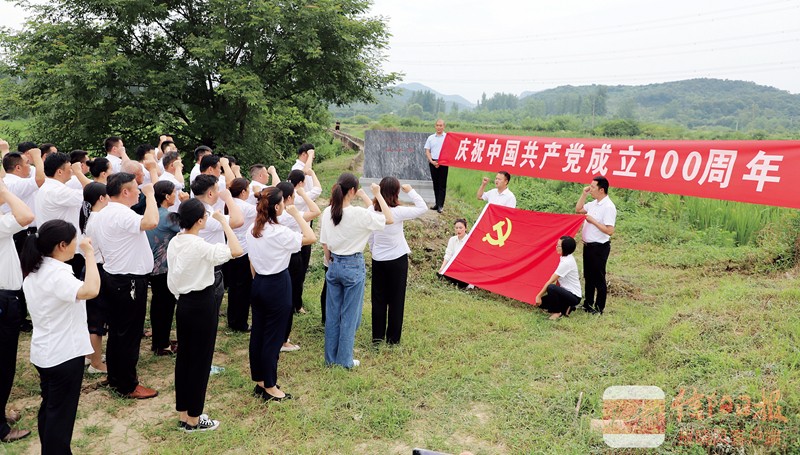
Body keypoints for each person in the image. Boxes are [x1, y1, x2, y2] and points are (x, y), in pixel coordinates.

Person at [21, 220, 100, 453]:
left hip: (45, 352)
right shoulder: (57, 274)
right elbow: (91, 290)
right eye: (74, 241)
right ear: (62, 245)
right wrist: (89, 255)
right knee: (60, 416)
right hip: (64, 354)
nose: (78, 244)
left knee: (51, 408)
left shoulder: (35, 270)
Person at [167, 198, 242, 432]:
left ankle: (183, 413)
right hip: (201, 303)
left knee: (185, 358)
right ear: (200, 221)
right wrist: (225, 223)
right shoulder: (200, 246)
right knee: (200, 361)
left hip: (184, 303)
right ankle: (194, 419)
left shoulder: (175, 242)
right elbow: (236, 250)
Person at [85, 172, 159, 399]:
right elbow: (151, 221)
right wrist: (151, 195)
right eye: (136, 188)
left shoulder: (102, 213)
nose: (138, 191)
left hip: (114, 275)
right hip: (128, 280)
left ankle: (116, 376)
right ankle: (127, 384)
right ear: (125, 191)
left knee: (118, 331)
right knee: (129, 334)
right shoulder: (121, 213)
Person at [247, 187, 315, 401]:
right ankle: (270, 386)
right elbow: (310, 236)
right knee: (273, 337)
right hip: (276, 284)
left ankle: (259, 380)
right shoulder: (279, 232)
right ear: (277, 207)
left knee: (258, 333)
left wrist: (258, 281)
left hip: (259, 282)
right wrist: (296, 215)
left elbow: (252, 262)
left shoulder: (253, 228)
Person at [320, 173, 393, 368]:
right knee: (350, 316)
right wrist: (377, 195)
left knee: (333, 314)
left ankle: (330, 358)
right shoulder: (359, 214)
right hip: (352, 265)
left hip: (334, 265)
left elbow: (325, 244)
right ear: (352, 191)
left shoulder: (328, 212)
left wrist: (330, 263)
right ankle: (344, 360)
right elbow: (389, 218)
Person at [368, 177, 427, 344]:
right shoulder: (398, 212)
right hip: (397, 260)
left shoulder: (371, 210)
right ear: (396, 192)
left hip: (378, 259)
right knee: (396, 299)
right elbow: (422, 207)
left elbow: (370, 236)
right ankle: (393, 339)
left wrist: (374, 250)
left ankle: (377, 338)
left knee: (378, 299)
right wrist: (411, 191)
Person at [0, 179, 34, 444]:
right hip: (3, 299)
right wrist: (4, 191)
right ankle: (0, 429)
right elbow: (26, 215)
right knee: (2, 365)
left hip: (6, 297)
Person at [275, 181, 321, 351]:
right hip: (292, 256)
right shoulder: (289, 214)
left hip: (277, 258)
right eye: (293, 196)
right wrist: (303, 194)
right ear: (287, 198)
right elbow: (316, 211)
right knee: (289, 297)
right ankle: (284, 340)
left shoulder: (270, 214)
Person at [146, 181, 181, 355]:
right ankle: (162, 344)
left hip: (151, 264)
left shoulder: (151, 213)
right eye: (174, 193)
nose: (176, 195)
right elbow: (189, 226)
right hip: (163, 267)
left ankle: (159, 340)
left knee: (158, 303)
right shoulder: (168, 217)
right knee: (165, 306)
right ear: (167, 196)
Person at [79, 182, 110, 374]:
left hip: (90, 267)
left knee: (92, 315)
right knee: (97, 319)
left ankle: (91, 355)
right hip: (98, 269)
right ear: (101, 198)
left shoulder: (89, 216)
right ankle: (96, 363)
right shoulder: (99, 218)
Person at [575, 176, 616, 315]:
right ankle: (588, 304)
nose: (590, 189)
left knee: (599, 277)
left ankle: (599, 308)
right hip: (588, 246)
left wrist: (593, 221)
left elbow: (610, 230)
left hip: (599, 247)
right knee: (588, 276)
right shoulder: (593, 204)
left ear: (601, 189)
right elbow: (579, 209)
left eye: (593, 187)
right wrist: (584, 193)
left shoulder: (608, 207)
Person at [226, 178, 258, 332]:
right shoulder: (245, 206)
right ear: (243, 192)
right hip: (243, 250)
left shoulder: (228, 203)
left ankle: (232, 319)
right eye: (248, 190)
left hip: (230, 248)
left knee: (233, 287)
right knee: (244, 289)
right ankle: (240, 323)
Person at [534, 236, 582, 320]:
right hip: (565, 292)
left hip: (574, 296)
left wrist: (538, 295)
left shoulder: (566, 263)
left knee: (551, 288)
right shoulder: (565, 258)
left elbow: (552, 281)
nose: (556, 247)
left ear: (565, 248)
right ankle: (567, 308)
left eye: (558, 245)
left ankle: (556, 312)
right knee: (542, 304)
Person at [437, 218, 470, 289]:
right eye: (456, 228)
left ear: (465, 228)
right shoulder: (452, 239)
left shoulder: (469, 240)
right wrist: (442, 267)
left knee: (463, 282)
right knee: (440, 274)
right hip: (454, 267)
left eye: (460, 228)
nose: (458, 230)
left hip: (464, 269)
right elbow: (448, 254)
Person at [425, 119, 447, 213]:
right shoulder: (431, 138)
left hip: (444, 163)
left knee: (442, 184)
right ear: (435, 126)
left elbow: (450, 150)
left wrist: (442, 162)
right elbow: (427, 150)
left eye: (441, 125)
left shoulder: (447, 137)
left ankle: (441, 205)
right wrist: (431, 161)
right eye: (437, 125)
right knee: (435, 184)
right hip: (433, 162)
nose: (439, 127)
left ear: (444, 126)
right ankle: (436, 203)